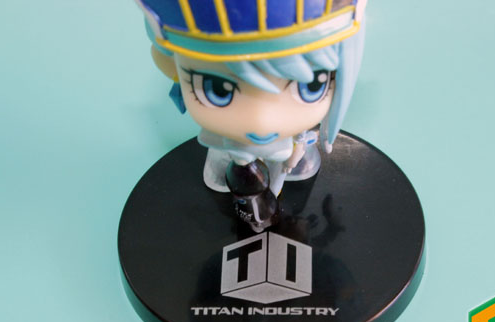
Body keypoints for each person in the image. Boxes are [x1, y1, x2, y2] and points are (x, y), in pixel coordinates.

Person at [134, 0, 366, 230]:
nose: (262, 123)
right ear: (170, 65)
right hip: (234, 151)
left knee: (283, 169)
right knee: (236, 172)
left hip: (282, 153)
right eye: (218, 89)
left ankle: (268, 203)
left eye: (311, 86)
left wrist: (297, 148)